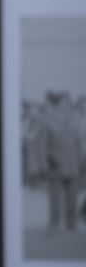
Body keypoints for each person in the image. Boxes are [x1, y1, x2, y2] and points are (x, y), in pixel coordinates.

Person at [45, 91, 82, 231]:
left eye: (67, 102)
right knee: (54, 196)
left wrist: (80, 160)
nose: (65, 105)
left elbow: (79, 143)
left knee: (72, 196)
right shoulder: (50, 120)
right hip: (56, 164)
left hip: (73, 164)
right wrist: (50, 158)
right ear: (58, 104)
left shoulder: (75, 120)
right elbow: (45, 143)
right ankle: (54, 222)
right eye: (62, 102)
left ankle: (71, 222)